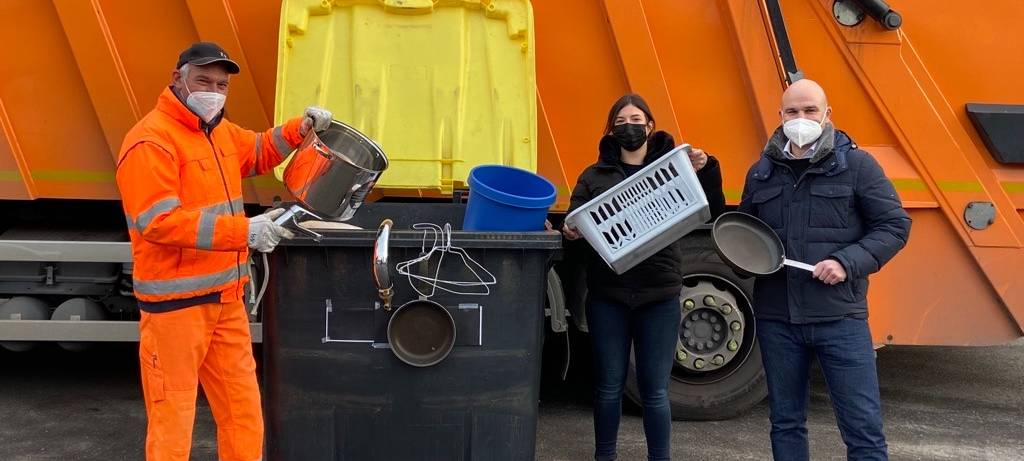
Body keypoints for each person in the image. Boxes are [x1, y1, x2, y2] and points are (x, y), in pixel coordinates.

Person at [115, 42, 333, 461]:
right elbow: (157, 222)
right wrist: (245, 232)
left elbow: (259, 151)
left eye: (221, 84)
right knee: (172, 420)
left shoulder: (218, 132)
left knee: (243, 414)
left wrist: (299, 129)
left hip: (226, 303)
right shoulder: (150, 140)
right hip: (175, 310)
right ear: (177, 78)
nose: (213, 90)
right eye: (203, 80)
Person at [737, 79, 911, 461]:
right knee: (785, 423)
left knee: (862, 429)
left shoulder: (858, 166)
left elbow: (895, 226)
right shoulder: (761, 172)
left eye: (810, 110)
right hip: (778, 318)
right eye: (793, 112)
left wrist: (846, 263)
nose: (801, 119)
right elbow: (744, 235)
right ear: (780, 117)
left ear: (827, 115)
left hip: (840, 318)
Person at [562, 93, 726, 461]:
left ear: (650, 125)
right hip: (608, 296)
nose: (629, 127)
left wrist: (708, 166)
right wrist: (570, 231)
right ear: (611, 130)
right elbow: (577, 224)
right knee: (607, 388)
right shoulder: (593, 176)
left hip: (659, 295)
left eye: (635, 119)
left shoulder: (674, 168)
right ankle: (604, 455)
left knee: (655, 391)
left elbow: (711, 209)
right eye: (620, 122)